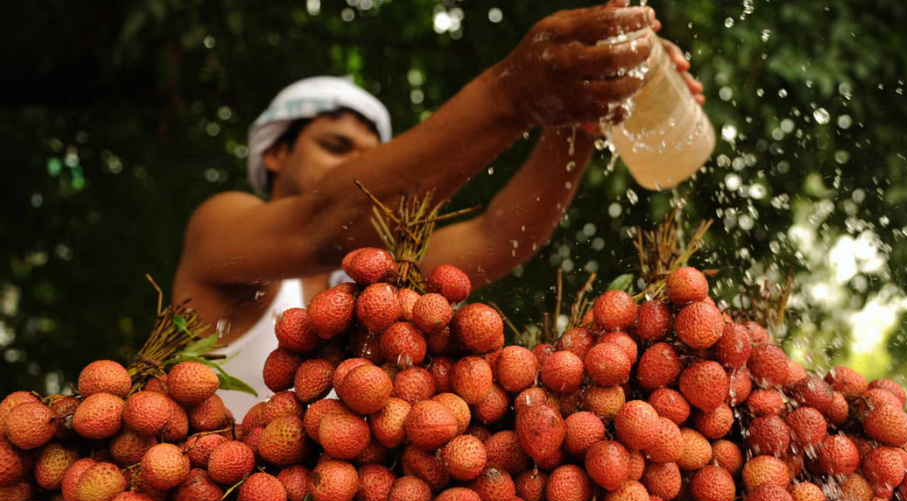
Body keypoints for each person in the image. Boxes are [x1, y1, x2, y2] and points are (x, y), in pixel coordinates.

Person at [172, 2, 704, 420]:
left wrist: (580, 113)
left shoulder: (374, 279)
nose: (358, 169)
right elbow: (323, 222)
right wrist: (513, 94)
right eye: (337, 149)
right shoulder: (219, 227)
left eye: (371, 156)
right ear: (275, 153)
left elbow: (499, 235)